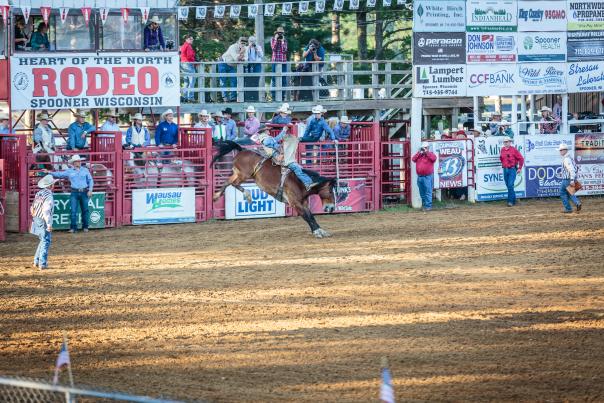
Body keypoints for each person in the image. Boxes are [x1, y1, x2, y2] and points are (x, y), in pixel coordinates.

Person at [258, 125, 318, 191]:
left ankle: (306, 182)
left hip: (277, 155)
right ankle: (308, 183)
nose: (268, 131)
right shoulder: (265, 139)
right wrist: (283, 132)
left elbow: (275, 140)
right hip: (277, 156)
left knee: (296, 166)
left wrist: (283, 133)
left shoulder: (265, 138)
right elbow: (273, 141)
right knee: (295, 167)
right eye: (267, 130)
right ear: (264, 131)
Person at [46, 155, 94, 233]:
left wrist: (90, 190)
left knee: (85, 210)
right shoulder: (69, 171)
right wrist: (49, 172)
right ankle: (73, 228)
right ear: (73, 163)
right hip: (74, 192)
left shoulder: (85, 170)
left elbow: (90, 180)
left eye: (79, 161)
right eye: (76, 161)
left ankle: (85, 226)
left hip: (84, 192)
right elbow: (59, 174)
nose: (78, 162)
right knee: (73, 211)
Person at [30, 174, 58, 269]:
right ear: (50, 185)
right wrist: (49, 224)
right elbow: (46, 210)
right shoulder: (49, 195)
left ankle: (36, 261)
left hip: (37, 218)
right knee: (46, 240)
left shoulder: (39, 193)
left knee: (42, 240)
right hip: (43, 219)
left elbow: (32, 207)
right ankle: (42, 263)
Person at [219, 37, 248, 102]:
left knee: (234, 80)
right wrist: (241, 53)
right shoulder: (233, 47)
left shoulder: (245, 48)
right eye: (242, 43)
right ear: (238, 42)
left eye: (244, 43)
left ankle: (233, 98)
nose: (243, 44)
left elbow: (246, 60)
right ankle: (225, 98)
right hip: (223, 63)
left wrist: (243, 58)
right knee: (223, 81)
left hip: (231, 65)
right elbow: (237, 58)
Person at [499, 137, 524, 207]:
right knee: (509, 186)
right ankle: (514, 199)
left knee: (510, 185)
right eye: (505, 142)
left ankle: (510, 201)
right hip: (505, 169)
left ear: (510, 142)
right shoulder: (502, 150)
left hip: (512, 169)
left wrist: (519, 168)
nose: (506, 143)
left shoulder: (514, 150)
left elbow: (521, 158)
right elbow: (501, 158)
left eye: (507, 142)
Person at [412, 142, 437, 212]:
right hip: (420, 176)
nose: (424, 149)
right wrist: (419, 153)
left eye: (425, 148)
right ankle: (424, 205)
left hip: (427, 176)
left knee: (428, 192)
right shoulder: (419, 155)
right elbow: (413, 159)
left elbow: (434, 159)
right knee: (422, 192)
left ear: (428, 148)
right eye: (423, 148)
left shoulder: (431, 154)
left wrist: (426, 153)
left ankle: (428, 206)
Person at [559, 143, 582, 214]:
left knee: (563, 192)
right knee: (569, 192)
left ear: (564, 150)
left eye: (561, 150)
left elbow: (571, 169)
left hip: (567, 179)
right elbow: (574, 168)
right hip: (569, 178)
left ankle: (569, 208)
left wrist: (572, 179)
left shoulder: (566, 159)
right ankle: (576, 203)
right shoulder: (569, 158)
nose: (560, 152)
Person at [270, 27, 288, 101]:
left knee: (283, 79)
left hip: (283, 62)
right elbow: (273, 48)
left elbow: (284, 50)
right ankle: (274, 96)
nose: (280, 34)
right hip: (275, 61)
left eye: (281, 33)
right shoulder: (272, 39)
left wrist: (283, 41)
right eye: (279, 33)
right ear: (276, 33)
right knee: (274, 79)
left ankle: (282, 96)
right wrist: (276, 40)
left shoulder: (285, 40)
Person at [180, 35, 197, 102]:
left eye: (192, 39)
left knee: (186, 81)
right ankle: (190, 97)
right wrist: (194, 61)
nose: (192, 40)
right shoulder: (188, 46)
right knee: (192, 81)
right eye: (190, 39)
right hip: (188, 64)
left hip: (182, 64)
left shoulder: (183, 45)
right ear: (187, 39)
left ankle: (184, 96)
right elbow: (189, 56)